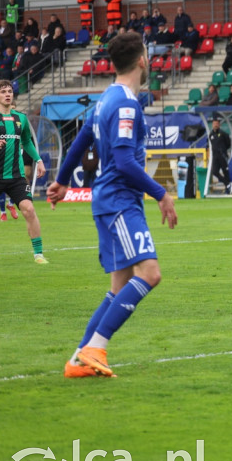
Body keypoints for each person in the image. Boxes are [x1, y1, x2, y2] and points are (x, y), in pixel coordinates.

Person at [46, 33, 178, 378]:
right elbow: (123, 161)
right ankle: (96, 347)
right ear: (142, 61)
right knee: (150, 274)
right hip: (120, 201)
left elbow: (81, 139)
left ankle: (78, 360)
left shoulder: (106, 100)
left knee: (118, 287)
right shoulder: (124, 104)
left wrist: (61, 179)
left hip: (110, 200)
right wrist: (160, 193)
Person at [0, 80, 47, 263]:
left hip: (16, 177)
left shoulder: (20, 118)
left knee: (29, 209)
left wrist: (38, 160)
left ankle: (38, 254)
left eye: (9, 91)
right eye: (3, 92)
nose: (7, 94)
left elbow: (27, 142)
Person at [208, 118, 232, 194]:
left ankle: (228, 189)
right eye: (214, 123)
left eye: (217, 123)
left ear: (219, 125)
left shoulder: (223, 134)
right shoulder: (211, 134)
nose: (215, 125)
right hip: (215, 156)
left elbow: (228, 144)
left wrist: (223, 150)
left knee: (225, 171)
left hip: (222, 155)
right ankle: (227, 184)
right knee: (215, 171)